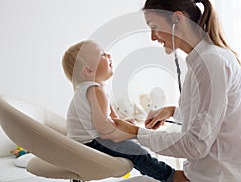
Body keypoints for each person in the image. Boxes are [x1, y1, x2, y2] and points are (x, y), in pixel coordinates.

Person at [101, 0, 241, 182]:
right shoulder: (202, 61)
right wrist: (173, 111)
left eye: (154, 27)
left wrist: (134, 133)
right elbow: (208, 118)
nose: (152, 37)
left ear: (177, 19)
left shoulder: (211, 63)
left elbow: (196, 144)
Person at [61, 40, 181, 182]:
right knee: (136, 152)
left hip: (80, 143)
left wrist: (123, 124)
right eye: (102, 55)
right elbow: (103, 128)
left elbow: (110, 117)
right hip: (91, 143)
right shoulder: (95, 91)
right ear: (88, 70)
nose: (109, 55)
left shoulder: (86, 90)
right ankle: (171, 176)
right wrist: (127, 132)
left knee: (133, 148)